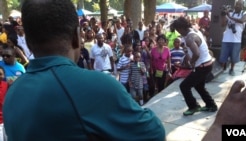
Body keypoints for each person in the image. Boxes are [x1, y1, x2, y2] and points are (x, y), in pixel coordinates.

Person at [2, 0, 166, 140]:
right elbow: (154, 133)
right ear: (76, 36)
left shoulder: (12, 94)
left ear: (28, 43)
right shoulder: (97, 86)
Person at [172, 17, 217, 116]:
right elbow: (193, 51)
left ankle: (194, 106)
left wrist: (191, 63)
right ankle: (211, 105)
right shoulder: (194, 29)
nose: (178, 32)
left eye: (177, 30)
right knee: (199, 86)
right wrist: (186, 51)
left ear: (181, 28)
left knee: (184, 86)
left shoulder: (189, 38)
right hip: (207, 63)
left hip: (202, 66)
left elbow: (196, 54)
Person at [219, 0, 246, 75]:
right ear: (234, 5)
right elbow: (222, 25)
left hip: (236, 40)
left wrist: (229, 16)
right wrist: (223, 15)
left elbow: (242, 21)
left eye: (239, 5)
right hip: (226, 39)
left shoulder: (245, 13)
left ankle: (232, 69)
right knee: (223, 56)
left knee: (234, 57)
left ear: (242, 6)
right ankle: (221, 70)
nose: (238, 6)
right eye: (236, 4)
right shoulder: (230, 12)